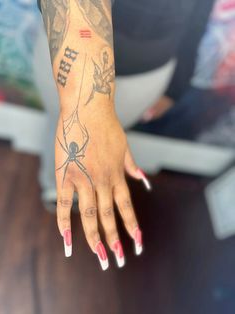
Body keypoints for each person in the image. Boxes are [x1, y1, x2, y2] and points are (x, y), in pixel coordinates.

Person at [36, 0, 214, 271]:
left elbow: (200, 13)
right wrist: (88, 100)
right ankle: (53, 182)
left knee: (106, 142)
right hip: (68, 53)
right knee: (60, 128)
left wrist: (177, 87)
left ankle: (81, 185)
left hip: (151, 70)